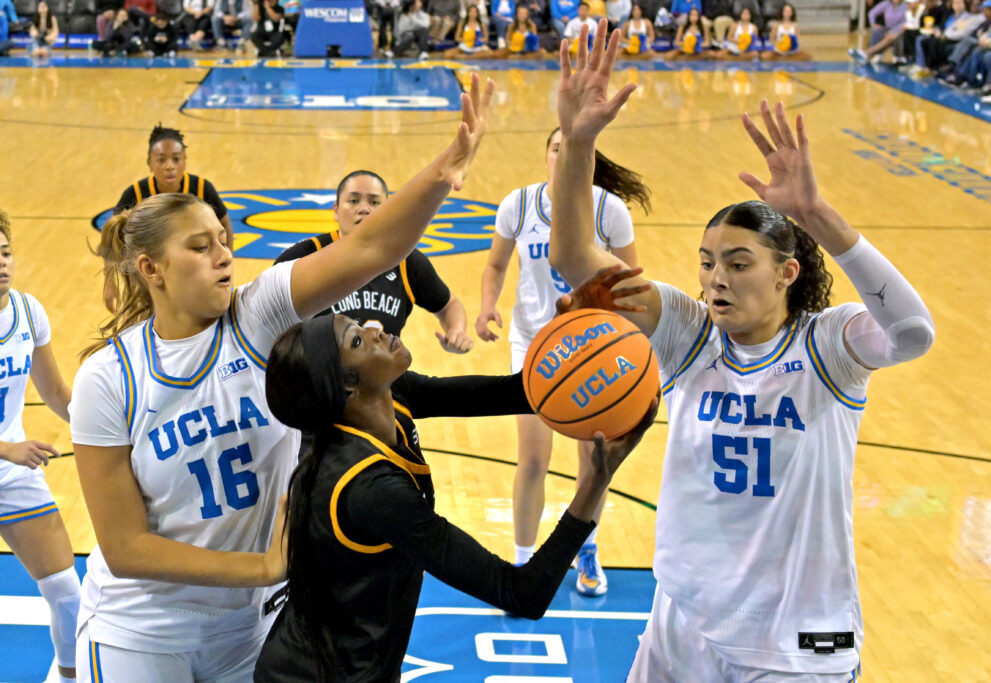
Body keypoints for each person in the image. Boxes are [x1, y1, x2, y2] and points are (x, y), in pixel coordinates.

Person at [69, 74, 494, 683]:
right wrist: (267, 566)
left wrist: (441, 171)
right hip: (140, 629)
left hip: (250, 626)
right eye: (199, 246)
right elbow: (125, 547)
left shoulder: (259, 313)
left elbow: (371, 249)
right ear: (151, 268)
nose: (223, 255)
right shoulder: (109, 378)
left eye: (224, 239)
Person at [549, 21, 934, 681]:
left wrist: (820, 217)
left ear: (785, 271)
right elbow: (574, 256)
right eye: (706, 263)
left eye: (737, 261)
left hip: (793, 643)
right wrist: (579, 143)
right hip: (683, 620)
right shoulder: (689, 331)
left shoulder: (829, 345)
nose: (716, 277)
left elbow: (912, 331)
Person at [253, 276, 657, 682]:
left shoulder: (390, 397)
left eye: (360, 324)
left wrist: (569, 340)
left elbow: (509, 393)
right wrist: (593, 485)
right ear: (348, 389)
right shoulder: (371, 492)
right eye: (357, 340)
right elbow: (522, 592)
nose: (375, 328)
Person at [475, 127, 647, 596]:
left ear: (588, 160)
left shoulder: (610, 210)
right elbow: (495, 266)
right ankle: (523, 561)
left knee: (593, 463)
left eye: (574, 150)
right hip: (533, 344)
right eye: (556, 148)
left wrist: (627, 342)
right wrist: (488, 304)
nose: (563, 156)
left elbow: (633, 284)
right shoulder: (519, 203)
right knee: (533, 459)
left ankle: (585, 550)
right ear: (547, 156)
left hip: (592, 347)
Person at [0, 210, 78, 683]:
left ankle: (69, 679)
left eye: (5, 253)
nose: (1, 264)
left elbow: (55, 393)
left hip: (12, 474)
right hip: (10, 457)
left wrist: (112, 435)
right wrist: (6, 449)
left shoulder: (28, 311)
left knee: (68, 594)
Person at [274, 170, 472, 353]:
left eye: (375, 203)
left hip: (382, 385)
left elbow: (448, 305)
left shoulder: (406, 260)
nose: (364, 209)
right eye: (353, 201)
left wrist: (457, 331)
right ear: (335, 210)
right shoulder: (305, 256)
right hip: (320, 384)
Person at [109, 125, 233, 313]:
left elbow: (225, 225)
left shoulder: (201, 188)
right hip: (150, 280)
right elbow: (112, 237)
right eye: (161, 160)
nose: (169, 166)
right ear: (149, 163)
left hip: (191, 276)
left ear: (184, 161)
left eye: (176, 159)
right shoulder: (135, 194)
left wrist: (225, 265)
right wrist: (110, 283)